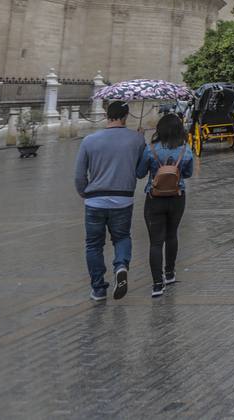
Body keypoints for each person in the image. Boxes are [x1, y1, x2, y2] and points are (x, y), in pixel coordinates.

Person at [73, 100, 145, 301]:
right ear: (126, 116)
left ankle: (98, 289)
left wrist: (84, 192)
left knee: (93, 245)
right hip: (123, 199)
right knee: (121, 237)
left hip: (94, 200)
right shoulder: (136, 139)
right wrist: (141, 141)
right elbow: (140, 172)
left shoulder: (89, 140)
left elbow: (79, 175)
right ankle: (121, 265)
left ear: (106, 116)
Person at [137, 112, 195, 298]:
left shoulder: (150, 149)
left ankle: (157, 285)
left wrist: (141, 146)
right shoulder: (185, 149)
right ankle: (170, 273)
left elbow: (139, 173)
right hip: (177, 196)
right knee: (172, 235)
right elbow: (188, 174)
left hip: (154, 198)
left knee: (155, 242)